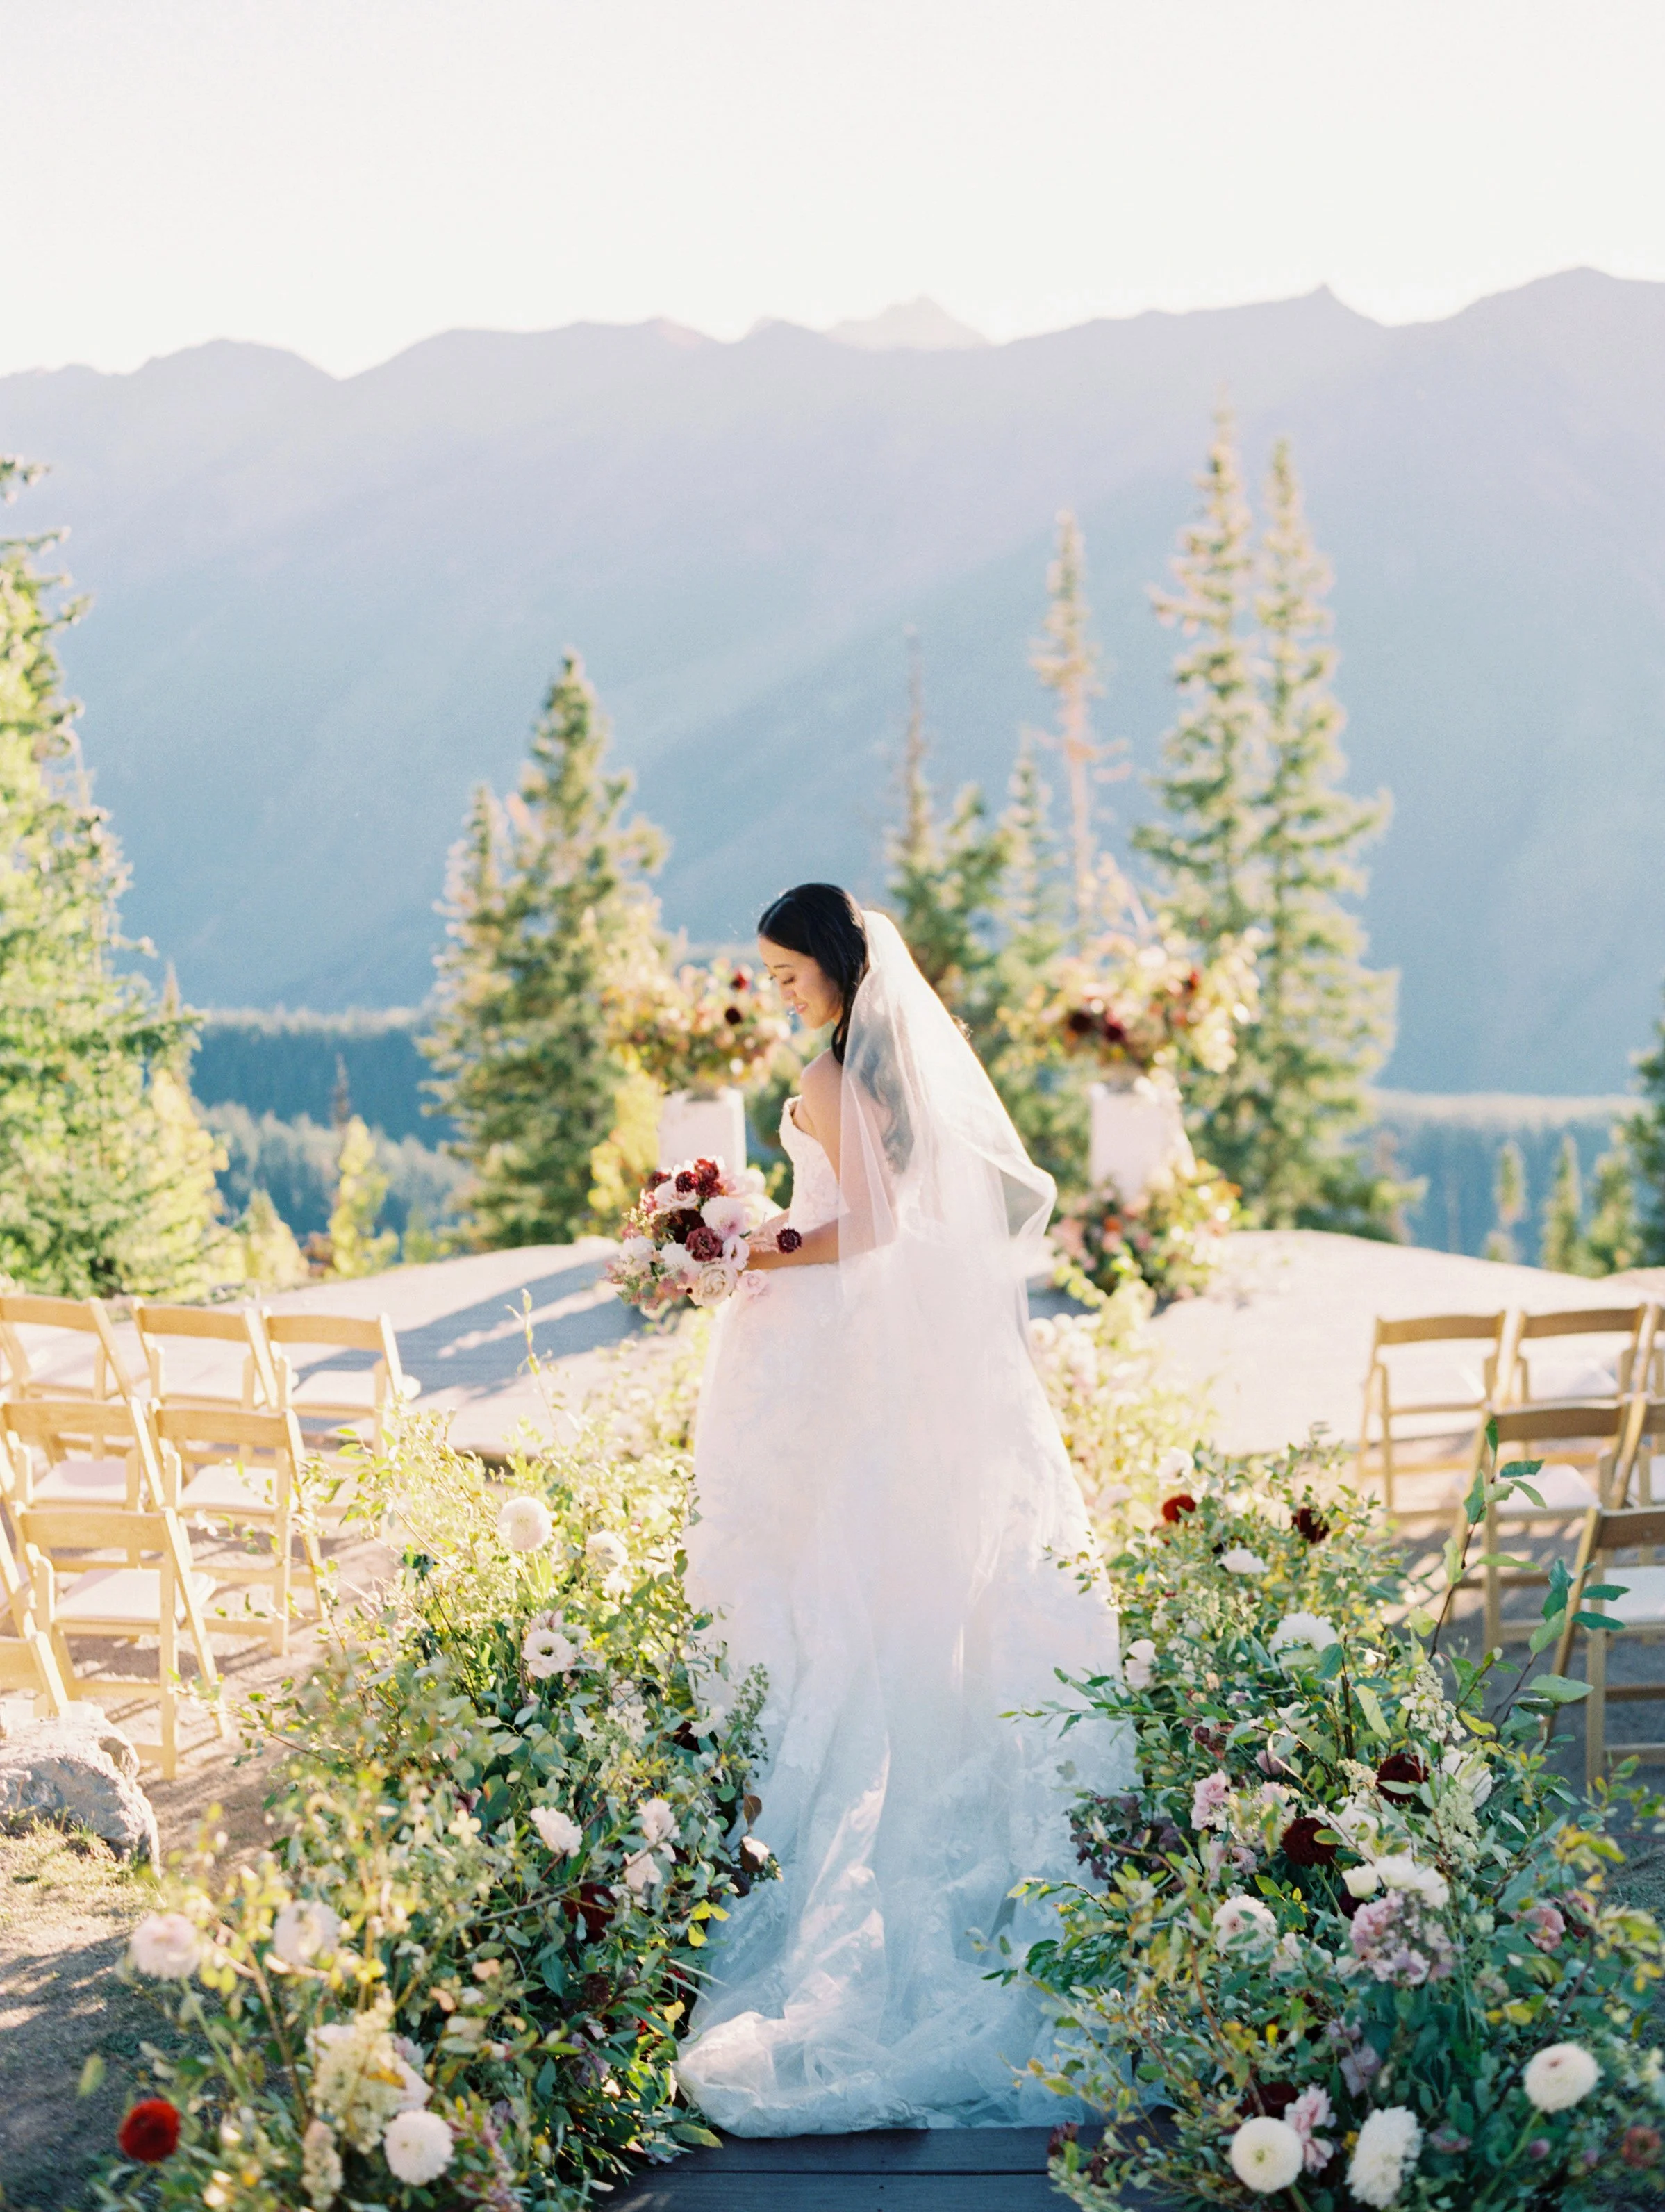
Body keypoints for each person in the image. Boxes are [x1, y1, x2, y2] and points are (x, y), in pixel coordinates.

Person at [676, 884, 1132, 2135]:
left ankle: (834, 1801)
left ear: (830, 967)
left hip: (834, 1330)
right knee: (875, 1570)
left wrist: (748, 1248)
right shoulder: (870, 1074)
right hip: (860, 1341)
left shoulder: (834, 1077)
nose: (775, 990)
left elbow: (863, 1227)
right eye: (765, 973)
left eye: (785, 971)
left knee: (833, 1572)